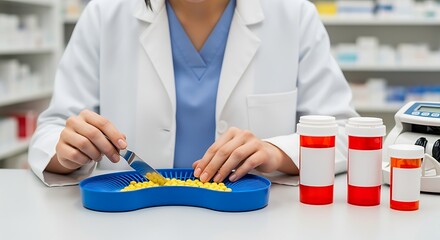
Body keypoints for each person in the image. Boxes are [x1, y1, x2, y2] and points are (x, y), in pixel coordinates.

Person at [29, 0, 358, 186]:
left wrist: (275, 152)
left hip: (257, 224)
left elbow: (347, 133)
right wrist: (65, 152)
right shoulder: (105, 14)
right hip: (127, 224)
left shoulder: (294, 16)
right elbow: (52, 130)